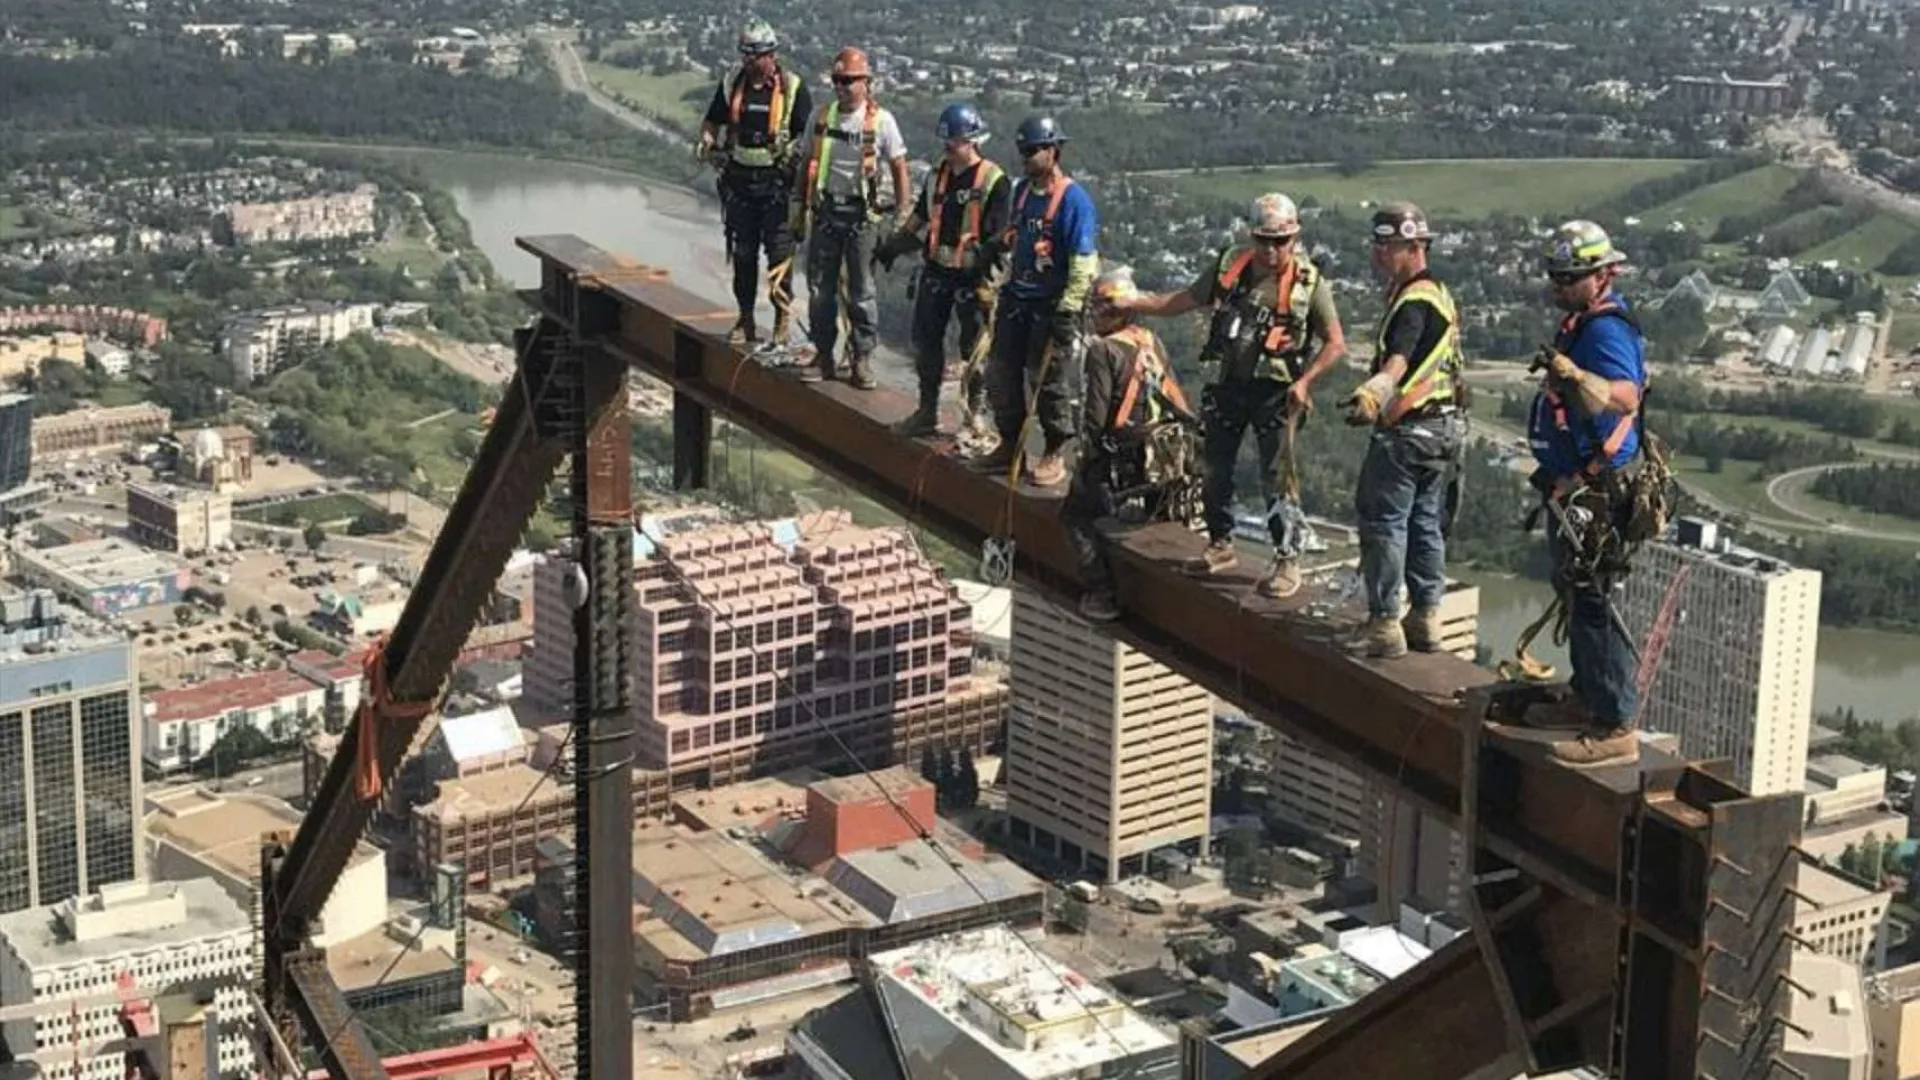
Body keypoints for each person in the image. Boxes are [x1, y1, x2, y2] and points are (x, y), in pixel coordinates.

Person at [1113, 193, 1345, 598]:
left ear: (1295, 238)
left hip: (1278, 389)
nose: (1272, 251)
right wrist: (1136, 303)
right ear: (1251, 237)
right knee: (1215, 466)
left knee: (1277, 478)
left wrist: (1306, 382)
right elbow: (1184, 299)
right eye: (1264, 241)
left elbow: (1335, 343)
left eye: (1282, 241)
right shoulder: (1230, 267)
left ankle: (1287, 558)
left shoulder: (1309, 283)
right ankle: (1220, 541)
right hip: (1231, 382)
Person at [1522, 220, 1650, 769]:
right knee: (1579, 595)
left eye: (1569, 277)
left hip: (1599, 491)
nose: (1558, 285)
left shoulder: (1605, 331)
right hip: (1576, 488)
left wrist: (1577, 376)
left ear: (1602, 275)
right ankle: (1588, 696)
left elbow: (1624, 397)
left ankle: (1615, 722)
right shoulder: (1581, 323)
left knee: (1595, 601)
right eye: (1556, 276)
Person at [1342, 202, 1468, 658]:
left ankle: (1384, 624)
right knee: (1425, 521)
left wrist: (1374, 392)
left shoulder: (1414, 303)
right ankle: (1426, 617)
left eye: (1387, 246)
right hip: (1443, 430)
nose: (1378, 254)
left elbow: (1399, 357)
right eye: (1376, 244)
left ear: (1415, 247)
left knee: (1384, 522)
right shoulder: (1438, 294)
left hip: (1409, 432)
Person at [872, 102, 1013, 443]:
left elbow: (1001, 235)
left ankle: (974, 419)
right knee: (927, 344)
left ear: (972, 141)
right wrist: (893, 245)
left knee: (974, 351)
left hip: (972, 278)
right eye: (945, 143)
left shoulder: (994, 181)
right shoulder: (939, 175)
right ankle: (927, 411)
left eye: (953, 143)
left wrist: (985, 268)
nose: (947, 149)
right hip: (937, 272)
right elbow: (921, 218)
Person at [1064, 266, 1195, 621]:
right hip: (1164, 452)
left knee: (1076, 515)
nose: (1093, 315)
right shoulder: (1149, 341)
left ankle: (1101, 591)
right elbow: (1172, 393)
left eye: (1099, 308)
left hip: (1125, 454)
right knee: (1159, 517)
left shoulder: (1103, 351)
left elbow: (1096, 415)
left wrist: (1086, 460)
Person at [975, 115, 1099, 487]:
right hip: (1019, 297)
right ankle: (1009, 443)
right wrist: (997, 246)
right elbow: (1019, 233)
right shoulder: (1024, 192)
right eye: (1022, 151)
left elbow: (1082, 262)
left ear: (1052, 150)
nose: (1026, 158)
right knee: (1000, 371)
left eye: (1032, 151)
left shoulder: (1074, 201)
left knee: (1047, 381)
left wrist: (1068, 310)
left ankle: (1054, 449)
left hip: (1052, 304)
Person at [790, 46, 910, 389]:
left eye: (849, 81)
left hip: (862, 218)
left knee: (861, 292)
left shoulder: (881, 122)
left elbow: (900, 167)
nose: (841, 87)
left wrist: (901, 215)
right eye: (837, 80)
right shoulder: (821, 117)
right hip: (827, 212)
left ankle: (861, 359)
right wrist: (797, 206)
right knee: (820, 291)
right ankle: (823, 354)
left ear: (866, 83)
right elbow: (805, 162)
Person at [696, 19, 811, 349]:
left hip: (776, 187)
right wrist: (708, 143)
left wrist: (795, 162)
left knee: (779, 258)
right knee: (743, 255)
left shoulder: (792, 88)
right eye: (745, 55)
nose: (750, 62)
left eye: (756, 55)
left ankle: (781, 323)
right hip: (740, 184)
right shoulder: (733, 82)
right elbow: (712, 121)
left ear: (771, 54)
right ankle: (745, 318)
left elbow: (808, 138)